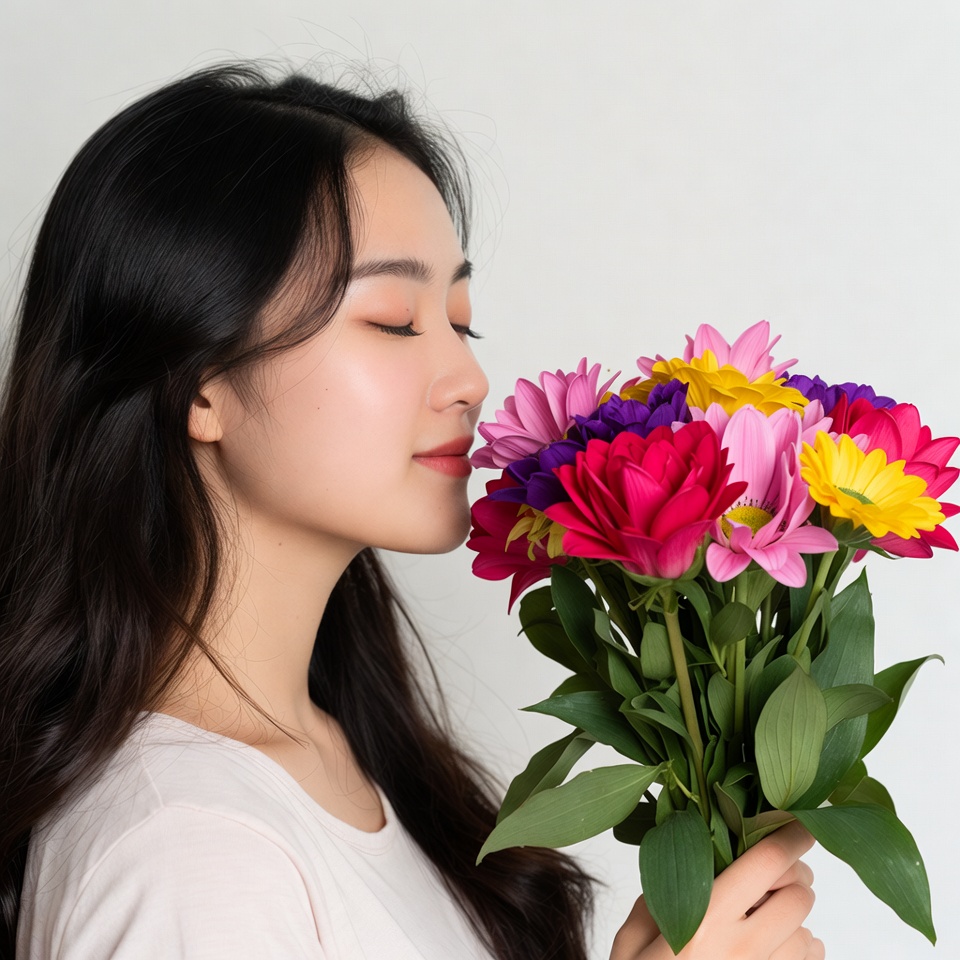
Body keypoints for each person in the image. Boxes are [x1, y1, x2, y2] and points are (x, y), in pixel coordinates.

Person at [0, 62, 824, 959]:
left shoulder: (344, 756)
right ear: (199, 387)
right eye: (394, 321)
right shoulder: (189, 853)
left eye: (460, 321)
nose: (468, 379)